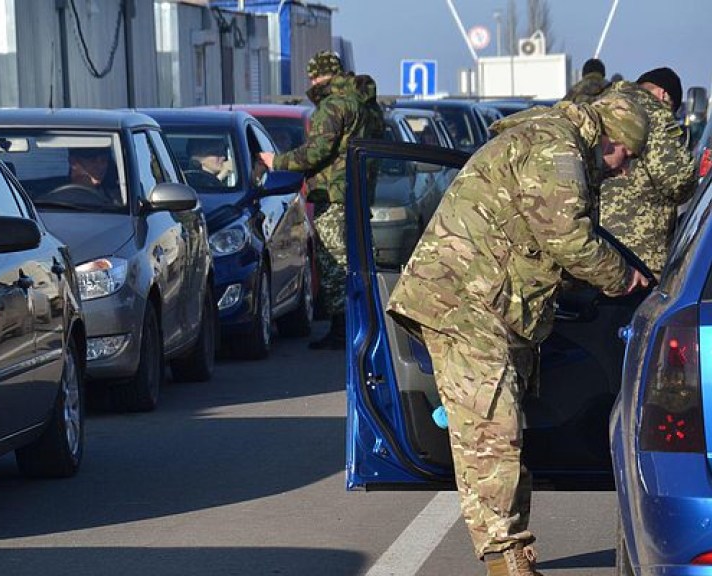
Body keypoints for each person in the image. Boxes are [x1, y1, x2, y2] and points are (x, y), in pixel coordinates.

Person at [386, 94, 651, 576]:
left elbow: (539, 238)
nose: (625, 170)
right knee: (492, 432)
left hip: (487, 304)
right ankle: (505, 559)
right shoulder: (557, 148)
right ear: (608, 138)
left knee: (500, 428)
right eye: (626, 157)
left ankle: (511, 551)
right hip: (463, 303)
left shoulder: (560, 143)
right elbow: (568, 239)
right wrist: (623, 278)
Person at [259, 50, 385, 350]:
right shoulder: (366, 105)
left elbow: (316, 152)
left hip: (334, 195)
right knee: (356, 262)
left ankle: (343, 331)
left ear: (317, 76)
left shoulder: (332, 106)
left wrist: (275, 161)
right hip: (358, 193)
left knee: (333, 263)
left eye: (312, 76)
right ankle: (361, 325)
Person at [599, 67, 696, 278]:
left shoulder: (603, 103)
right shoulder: (656, 113)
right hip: (638, 253)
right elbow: (678, 179)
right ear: (664, 94)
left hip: (595, 248)